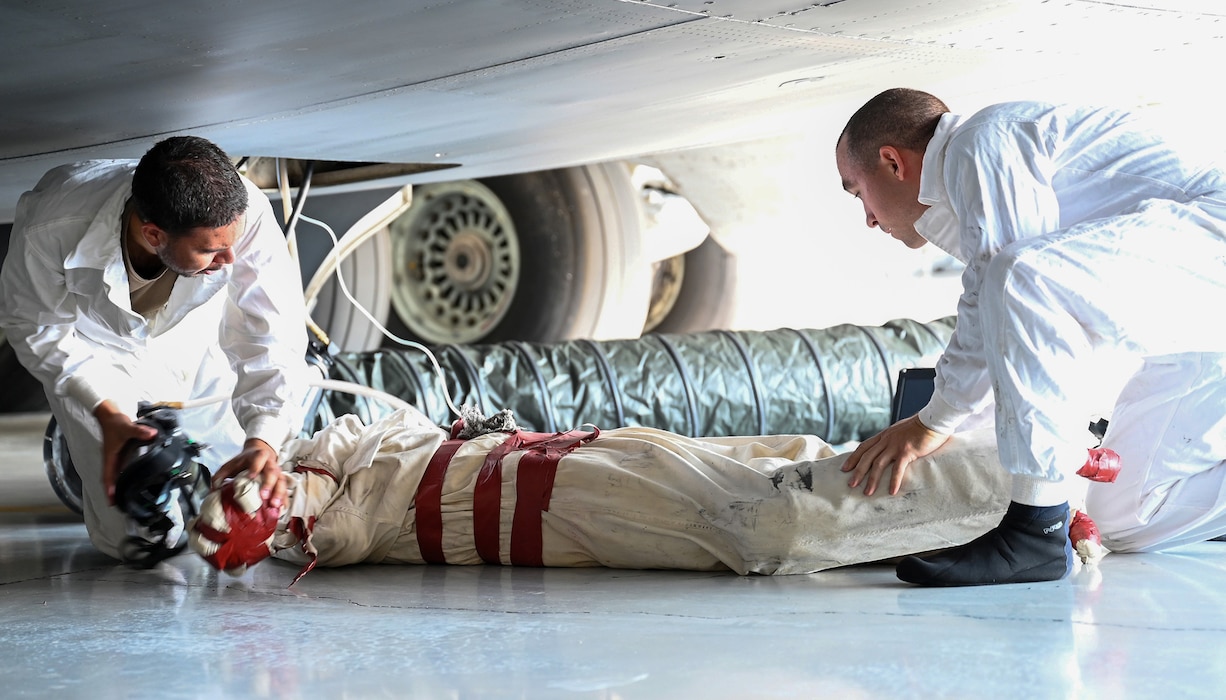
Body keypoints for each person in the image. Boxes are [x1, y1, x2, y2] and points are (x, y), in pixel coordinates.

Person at [834, 88, 1226, 586]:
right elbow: (1007, 329)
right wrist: (941, 427)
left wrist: (932, 423)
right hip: (1198, 322)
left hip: (1215, 236)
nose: (867, 217)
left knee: (1020, 273)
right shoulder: (970, 195)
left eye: (857, 192)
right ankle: (1039, 520)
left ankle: (1034, 533)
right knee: (1127, 515)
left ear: (892, 161)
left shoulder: (981, 141)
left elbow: (1009, 284)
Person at [189, 406, 1015, 580]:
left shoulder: (338, 452)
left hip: (568, 478)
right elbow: (331, 529)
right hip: (564, 489)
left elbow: (344, 443)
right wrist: (272, 518)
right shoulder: (329, 528)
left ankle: (1019, 484)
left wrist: (282, 481)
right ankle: (996, 497)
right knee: (779, 493)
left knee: (771, 505)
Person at [0, 136, 312, 562]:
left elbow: (273, 333)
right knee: (141, 538)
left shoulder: (244, 214)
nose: (230, 259)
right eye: (210, 250)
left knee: (256, 492)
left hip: (192, 335)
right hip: (97, 354)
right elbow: (34, 327)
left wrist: (265, 441)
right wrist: (104, 409)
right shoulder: (51, 227)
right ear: (153, 234)